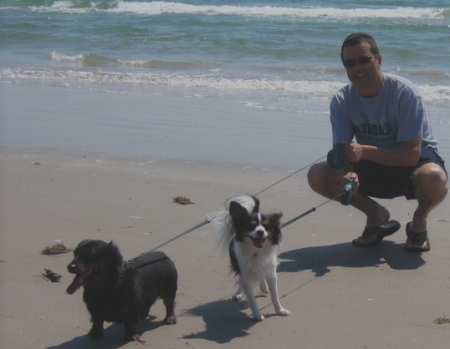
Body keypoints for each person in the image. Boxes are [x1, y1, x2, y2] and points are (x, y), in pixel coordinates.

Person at [307, 33, 448, 252]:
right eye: (350, 63)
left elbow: (411, 154)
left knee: (435, 177)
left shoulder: (405, 93)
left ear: (378, 60)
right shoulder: (341, 100)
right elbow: (342, 151)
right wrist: (348, 173)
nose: (357, 67)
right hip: (373, 162)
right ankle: (376, 215)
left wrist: (362, 151)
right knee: (317, 175)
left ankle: (419, 221)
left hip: (414, 162)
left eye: (364, 59)